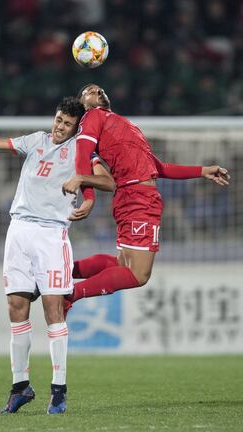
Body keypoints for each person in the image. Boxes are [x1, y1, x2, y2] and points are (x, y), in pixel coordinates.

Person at [0, 96, 115, 415]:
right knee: (16, 306)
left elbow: (108, 181)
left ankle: (58, 391)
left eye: (67, 124)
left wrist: (82, 179)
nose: (59, 127)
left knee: (54, 309)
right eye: (58, 120)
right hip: (19, 230)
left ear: (76, 127)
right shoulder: (35, 140)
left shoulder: (82, 151)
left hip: (52, 235)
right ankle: (20, 387)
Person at [62, 84, 230, 308]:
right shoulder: (92, 117)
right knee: (139, 274)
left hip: (138, 196)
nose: (99, 91)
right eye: (90, 91)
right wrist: (89, 198)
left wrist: (202, 171)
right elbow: (82, 157)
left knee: (123, 264)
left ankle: (62, 270)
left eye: (101, 89)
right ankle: (68, 295)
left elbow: (159, 167)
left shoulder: (121, 123)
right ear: (83, 104)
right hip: (137, 198)